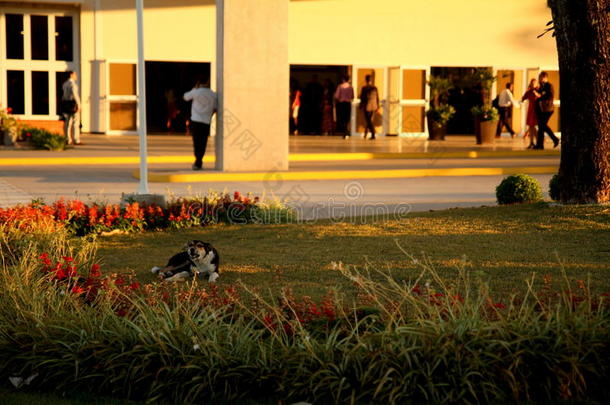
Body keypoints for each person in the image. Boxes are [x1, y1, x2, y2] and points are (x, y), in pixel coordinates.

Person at [183, 76, 217, 170]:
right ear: (208, 82)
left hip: (196, 120)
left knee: (196, 141)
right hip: (206, 121)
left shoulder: (195, 92)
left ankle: (198, 161)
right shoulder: (213, 94)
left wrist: (194, 88)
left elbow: (185, 97)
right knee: (203, 142)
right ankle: (199, 160)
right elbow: (215, 108)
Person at [534, 71, 559, 149]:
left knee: (542, 126)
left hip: (548, 109)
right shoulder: (541, 86)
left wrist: (540, 96)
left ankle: (555, 139)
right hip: (541, 109)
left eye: (541, 77)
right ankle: (540, 145)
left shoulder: (549, 86)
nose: (540, 79)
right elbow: (538, 94)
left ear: (545, 77)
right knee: (541, 127)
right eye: (540, 77)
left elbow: (550, 96)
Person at [61, 71, 81, 145]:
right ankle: (76, 139)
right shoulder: (73, 84)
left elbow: (63, 95)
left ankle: (67, 139)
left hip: (66, 104)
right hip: (73, 104)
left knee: (67, 122)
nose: (76, 76)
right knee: (76, 122)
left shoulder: (64, 84)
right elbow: (75, 95)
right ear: (71, 75)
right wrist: (79, 105)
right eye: (75, 74)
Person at [521, 78, 540, 149]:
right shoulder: (529, 92)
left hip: (536, 111)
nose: (533, 85)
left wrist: (537, 94)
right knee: (531, 127)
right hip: (531, 110)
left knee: (532, 127)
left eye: (534, 83)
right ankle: (532, 142)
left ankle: (537, 141)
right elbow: (523, 98)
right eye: (531, 83)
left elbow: (541, 96)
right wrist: (526, 93)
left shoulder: (538, 90)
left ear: (536, 84)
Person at [359, 75, 379, 140]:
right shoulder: (374, 88)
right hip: (374, 105)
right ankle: (366, 133)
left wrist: (361, 105)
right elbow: (377, 97)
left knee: (368, 121)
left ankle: (373, 134)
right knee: (369, 120)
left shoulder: (365, 88)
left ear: (366, 80)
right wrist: (377, 106)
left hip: (367, 106)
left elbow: (362, 98)